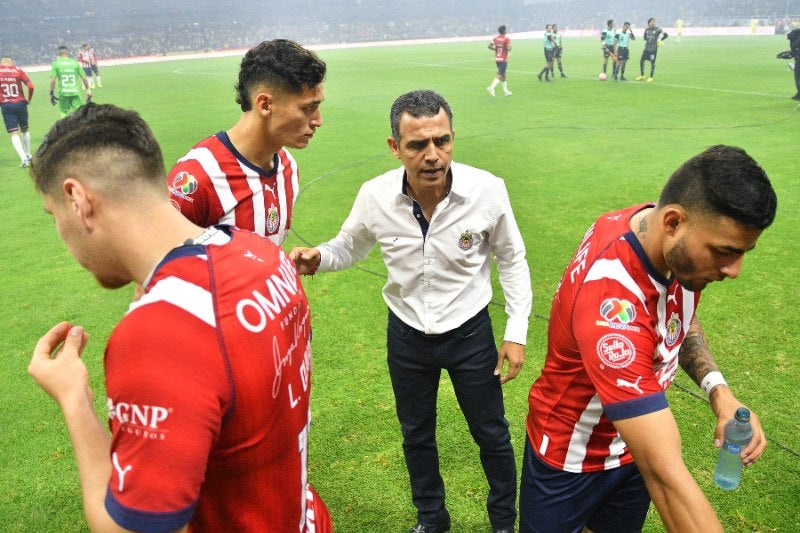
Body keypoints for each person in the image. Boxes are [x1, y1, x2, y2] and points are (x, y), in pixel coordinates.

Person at [27, 103, 332, 532]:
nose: (61, 231)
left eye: (52, 213)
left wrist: (74, 398)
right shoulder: (264, 256)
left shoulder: (162, 333)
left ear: (78, 200)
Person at [290, 89, 531, 533]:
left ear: (453, 137)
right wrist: (319, 258)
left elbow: (512, 259)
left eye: (442, 141)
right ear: (395, 147)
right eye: (418, 145)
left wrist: (515, 331)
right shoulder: (375, 195)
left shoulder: (487, 190)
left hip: (469, 333)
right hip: (406, 334)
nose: (433, 155)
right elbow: (349, 246)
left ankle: (503, 522)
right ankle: (431, 519)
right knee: (416, 435)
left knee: (492, 434)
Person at [519, 145, 776, 533]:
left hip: (630, 445)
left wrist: (718, 390)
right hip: (570, 456)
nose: (734, 270)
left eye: (743, 253)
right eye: (724, 252)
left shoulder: (660, 230)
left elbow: (677, 315)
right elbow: (666, 476)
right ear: (673, 222)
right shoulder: (613, 304)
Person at [167, 39, 326, 245]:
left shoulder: (288, 167)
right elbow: (155, 270)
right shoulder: (197, 177)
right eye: (307, 108)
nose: (318, 121)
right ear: (265, 105)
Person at [0, 56, 34, 167]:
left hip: (6, 104)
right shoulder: (18, 70)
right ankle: (28, 154)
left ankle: (23, 159)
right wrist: (29, 99)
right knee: (25, 129)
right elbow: (31, 86)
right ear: (11, 63)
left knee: (14, 132)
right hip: (20, 103)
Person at [49, 45, 92, 118]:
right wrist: (88, 91)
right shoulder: (75, 62)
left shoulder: (56, 64)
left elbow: (53, 80)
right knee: (78, 113)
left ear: (58, 54)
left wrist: (51, 93)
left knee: (63, 112)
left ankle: (64, 128)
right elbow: (84, 78)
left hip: (64, 93)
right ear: (67, 52)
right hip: (75, 92)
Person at [636, 17, 668, 82]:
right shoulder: (646, 29)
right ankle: (642, 75)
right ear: (649, 23)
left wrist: (660, 40)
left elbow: (666, 35)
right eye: (652, 21)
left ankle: (651, 77)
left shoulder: (658, 29)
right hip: (646, 48)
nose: (654, 23)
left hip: (653, 49)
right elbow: (644, 37)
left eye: (654, 21)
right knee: (642, 61)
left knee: (652, 62)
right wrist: (648, 41)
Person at [487, 25, 512, 96]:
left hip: (497, 59)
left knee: (504, 75)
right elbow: (509, 49)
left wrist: (496, 49)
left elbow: (489, 46)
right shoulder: (506, 39)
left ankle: (506, 91)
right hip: (503, 59)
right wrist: (510, 43)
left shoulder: (495, 38)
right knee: (500, 74)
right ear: (504, 31)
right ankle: (491, 87)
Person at [787, 27, 800, 100]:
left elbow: (794, 47)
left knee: (798, 77)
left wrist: (792, 52)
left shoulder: (795, 39)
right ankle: (799, 93)